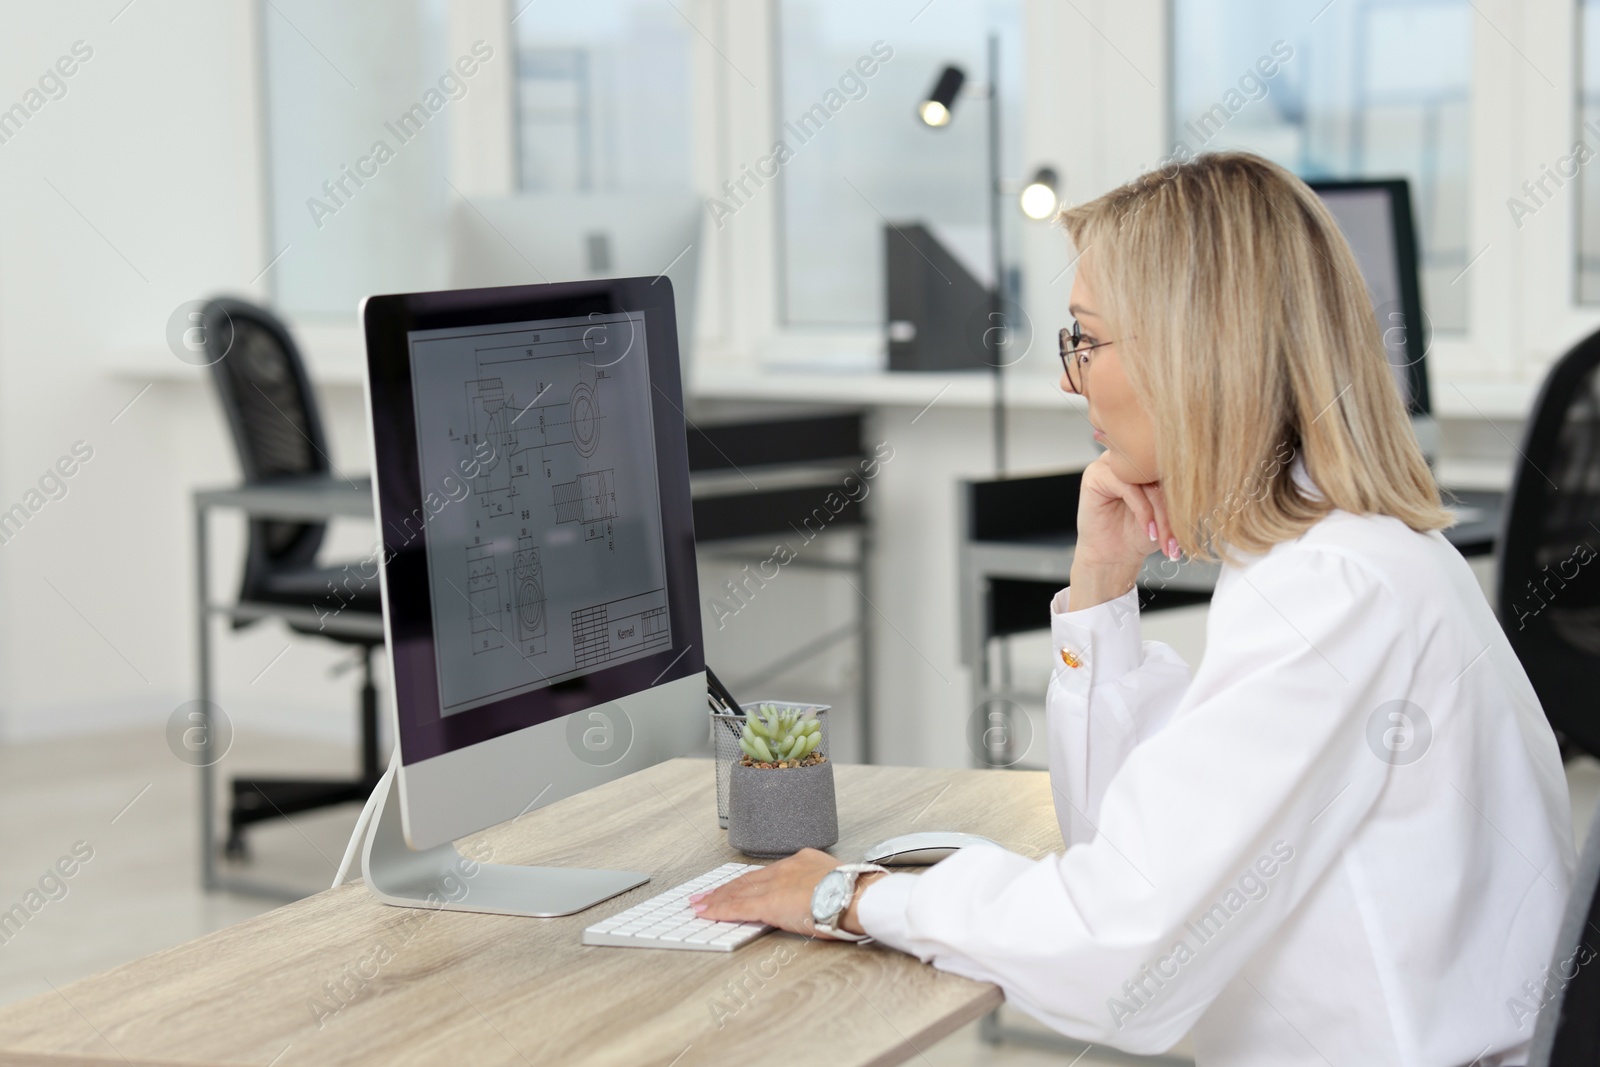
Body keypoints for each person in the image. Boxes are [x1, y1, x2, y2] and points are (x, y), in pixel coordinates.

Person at [689, 152, 1578, 1064]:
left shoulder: (1333, 592)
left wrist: (852, 895)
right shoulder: (1336, 556)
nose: (1069, 380)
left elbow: (1119, 949)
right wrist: (1101, 587)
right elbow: (1124, 847)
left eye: (1087, 339)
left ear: (1197, 350)